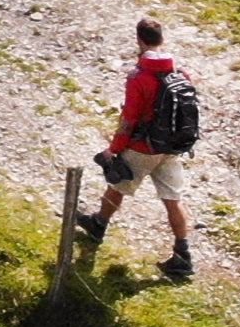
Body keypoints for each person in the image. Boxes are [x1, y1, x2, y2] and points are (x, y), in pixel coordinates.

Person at [76, 16, 194, 280]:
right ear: (162, 39)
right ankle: (182, 255)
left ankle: (98, 226)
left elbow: (129, 119)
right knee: (173, 199)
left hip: (143, 146)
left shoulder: (139, 76)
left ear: (139, 40)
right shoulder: (181, 72)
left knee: (117, 184)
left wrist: (113, 149)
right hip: (172, 147)